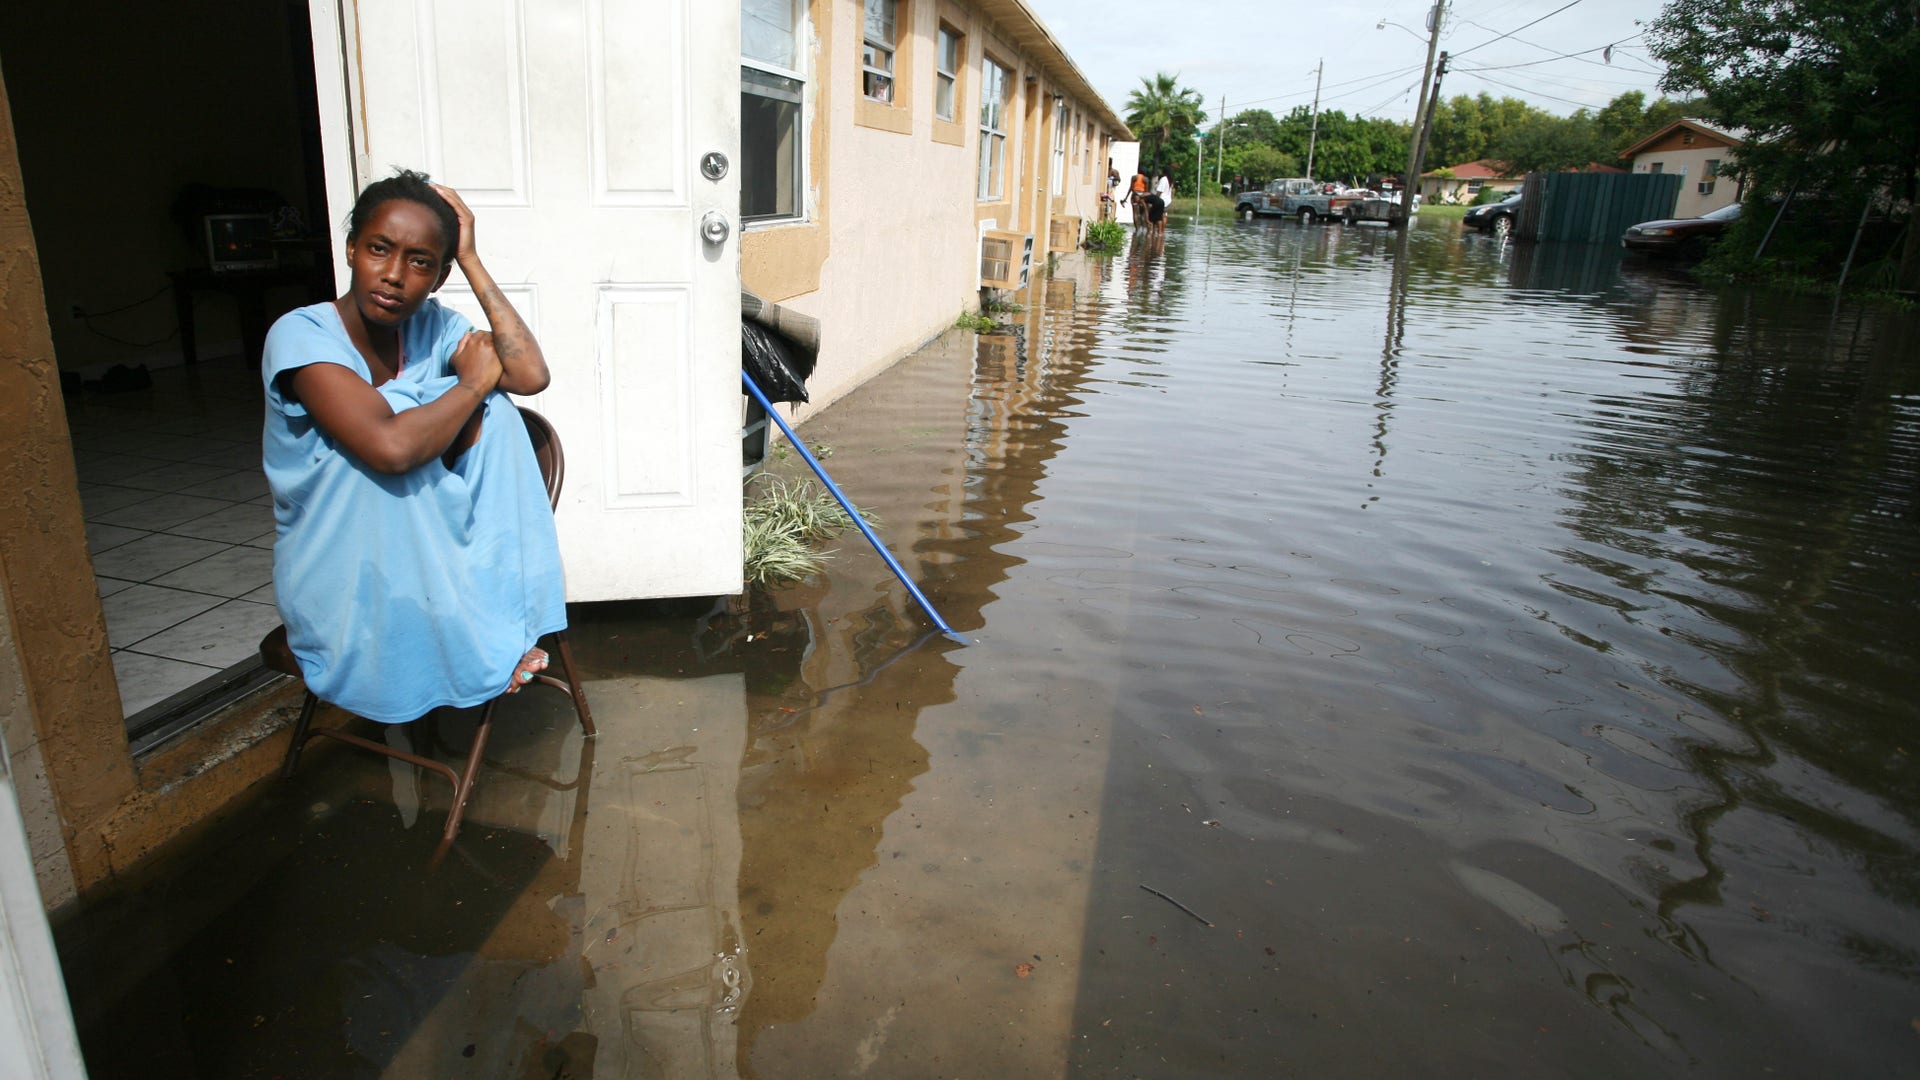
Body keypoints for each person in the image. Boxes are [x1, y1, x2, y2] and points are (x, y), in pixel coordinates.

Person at [261, 169, 565, 724]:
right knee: (431, 417)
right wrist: (472, 383)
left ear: (439, 275)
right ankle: (468, 640)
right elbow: (391, 450)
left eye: (421, 261)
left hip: (437, 558)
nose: (395, 275)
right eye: (380, 249)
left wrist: (471, 258)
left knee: (499, 413)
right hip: (340, 563)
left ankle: (486, 623)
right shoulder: (301, 335)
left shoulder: (433, 326)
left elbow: (529, 374)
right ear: (351, 248)